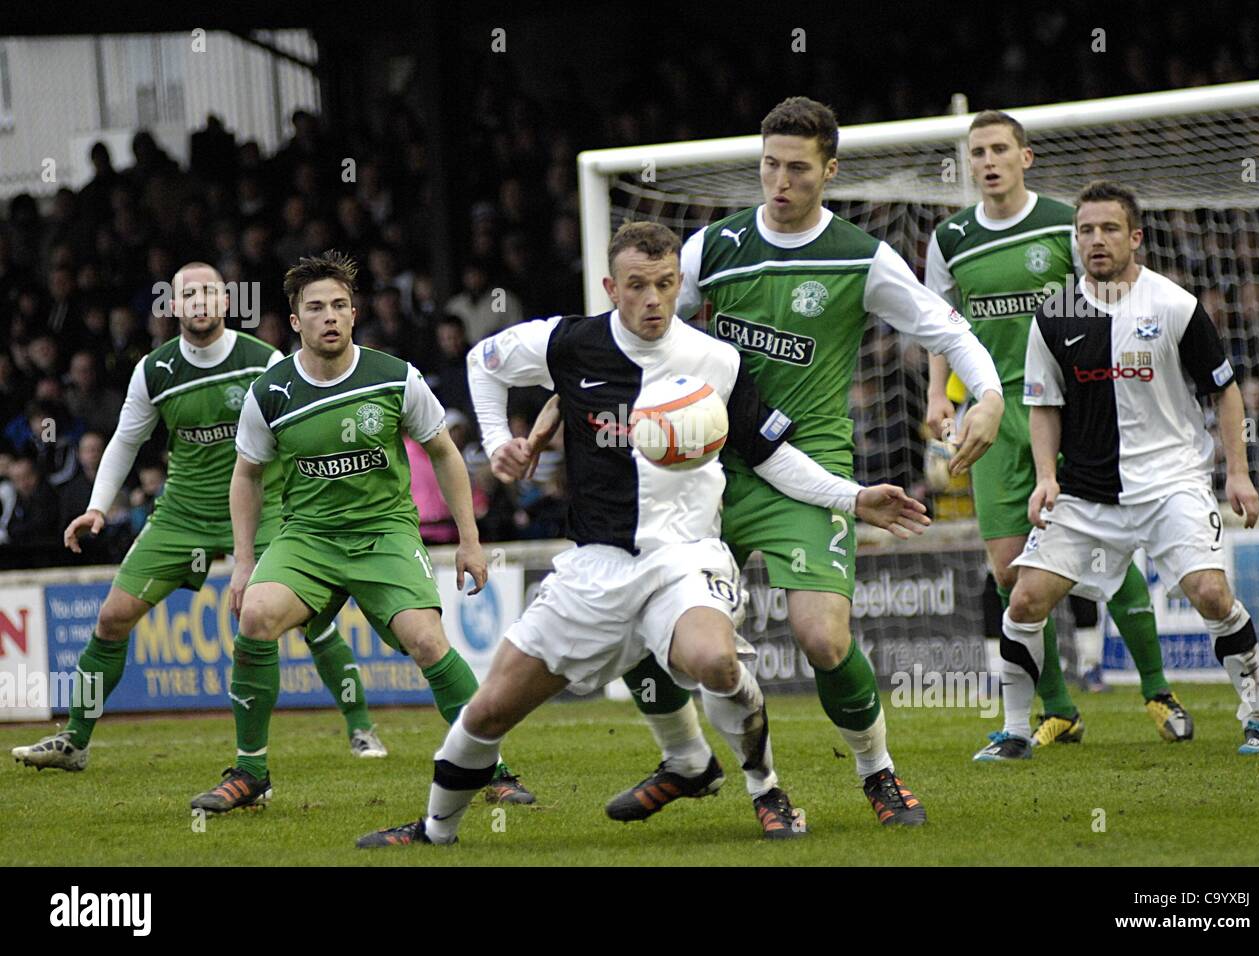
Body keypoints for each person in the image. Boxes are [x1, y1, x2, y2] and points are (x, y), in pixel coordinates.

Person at [356, 221, 933, 848]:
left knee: (714, 658)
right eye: (637, 286)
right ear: (611, 287)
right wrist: (499, 444)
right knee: (491, 708)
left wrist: (854, 497)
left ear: (678, 282)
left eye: (664, 285)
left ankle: (767, 790)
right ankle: (435, 832)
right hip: (594, 568)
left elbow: (771, 456)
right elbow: (482, 362)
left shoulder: (715, 360)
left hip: (686, 558)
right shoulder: (570, 343)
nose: (653, 300)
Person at [609, 98, 1004, 829]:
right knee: (636, 623)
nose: (780, 181)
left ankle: (877, 774)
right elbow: (634, 332)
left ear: (829, 169)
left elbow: (947, 329)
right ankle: (686, 761)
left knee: (823, 637)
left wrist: (987, 395)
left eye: (797, 168)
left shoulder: (861, 256)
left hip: (807, 465)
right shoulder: (712, 248)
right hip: (706, 470)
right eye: (769, 166)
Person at [189, 251, 533, 812]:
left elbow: (444, 453)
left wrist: (471, 541)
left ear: (354, 314)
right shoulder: (270, 393)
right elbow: (246, 474)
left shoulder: (395, 376)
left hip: (385, 533)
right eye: (316, 307)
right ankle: (250, 773)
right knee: (255, 616)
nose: (330, 316)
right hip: (308, 538)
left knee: (427, 641)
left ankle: (492, 770)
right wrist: (245, 561)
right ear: (295, 321)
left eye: (340, 306)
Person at [11, 262, 385, 772]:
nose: (201, 301)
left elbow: (301, 434)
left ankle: (360, 727)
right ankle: (74, 741)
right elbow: (125, 440)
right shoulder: (155, 370)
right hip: (182, 515)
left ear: (227, 302)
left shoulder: (264, 361)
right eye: (190, 294)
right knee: (111, 618)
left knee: (311, 623)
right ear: (172, 307)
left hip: (264, 511)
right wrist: (98, 506)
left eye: (210, 291)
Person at [974, 181, 1259, 760]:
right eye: (1085, 230)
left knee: (1212, 595)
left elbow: (1225, 389)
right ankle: (1016, 731)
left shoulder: (1173, 305)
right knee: (1024, 600)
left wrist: (1237, 473)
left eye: (1110, 229)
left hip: (1171, 484)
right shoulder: (1053, 316)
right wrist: (1046, 476)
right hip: (1088, 494)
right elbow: (1044, 404)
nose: (1096, 240)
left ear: (1134, 238)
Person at [924, 110, 1183, 742]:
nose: (987, 162)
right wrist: (937, 393)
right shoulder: (950, 237)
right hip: (987, 413)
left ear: (1025, 157)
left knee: (1104, 554)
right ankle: (1060, 710)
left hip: (1064, 405)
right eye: (977, 151)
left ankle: (1158, 692)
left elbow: (1109, 294)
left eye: (998, 150)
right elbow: (939, 322)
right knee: (1011, 570)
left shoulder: (1063, 224)